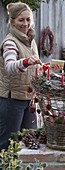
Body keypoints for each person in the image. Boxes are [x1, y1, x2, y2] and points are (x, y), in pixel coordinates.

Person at [0, 2, 43, 151]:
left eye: (28, 19)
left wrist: (44, 70)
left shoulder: (30, 42)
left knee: (31, 142)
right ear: (12, 21)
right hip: (11, 101)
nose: (25, 24)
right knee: (7, 145)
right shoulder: (10, 43)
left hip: (29, 100)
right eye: (21, 20)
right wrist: (26, 61)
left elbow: (33, 69)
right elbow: (10, 66)